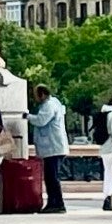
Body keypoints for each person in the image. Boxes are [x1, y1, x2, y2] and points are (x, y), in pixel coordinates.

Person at [25, 83, 69, 213]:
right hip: (52, 148)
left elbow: (41, 120)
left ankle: (57, 203)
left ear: (42, 94)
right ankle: (53, 202)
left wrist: (27, 116)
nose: (35, 98)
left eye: (36, 95)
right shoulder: (53, 104)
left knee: (52, 177)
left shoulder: (49, 105)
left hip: (53, 148)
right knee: (50, 177)